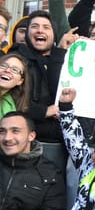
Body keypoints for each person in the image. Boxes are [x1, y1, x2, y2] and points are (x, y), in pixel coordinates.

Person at [9, 10, 67, 172]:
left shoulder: (62, 58)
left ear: (54, 35)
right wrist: (43, 111)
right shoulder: (16, 59)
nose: (40, 30)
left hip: (59, 144)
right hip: (24, 143)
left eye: (46, 27)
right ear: (27, 34)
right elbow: (11, 99)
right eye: (34, 26)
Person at [0, 53, 31, 118]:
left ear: (20, 81)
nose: (7, 70)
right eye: (3, 66)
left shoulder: (11, 105)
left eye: (15, 70)